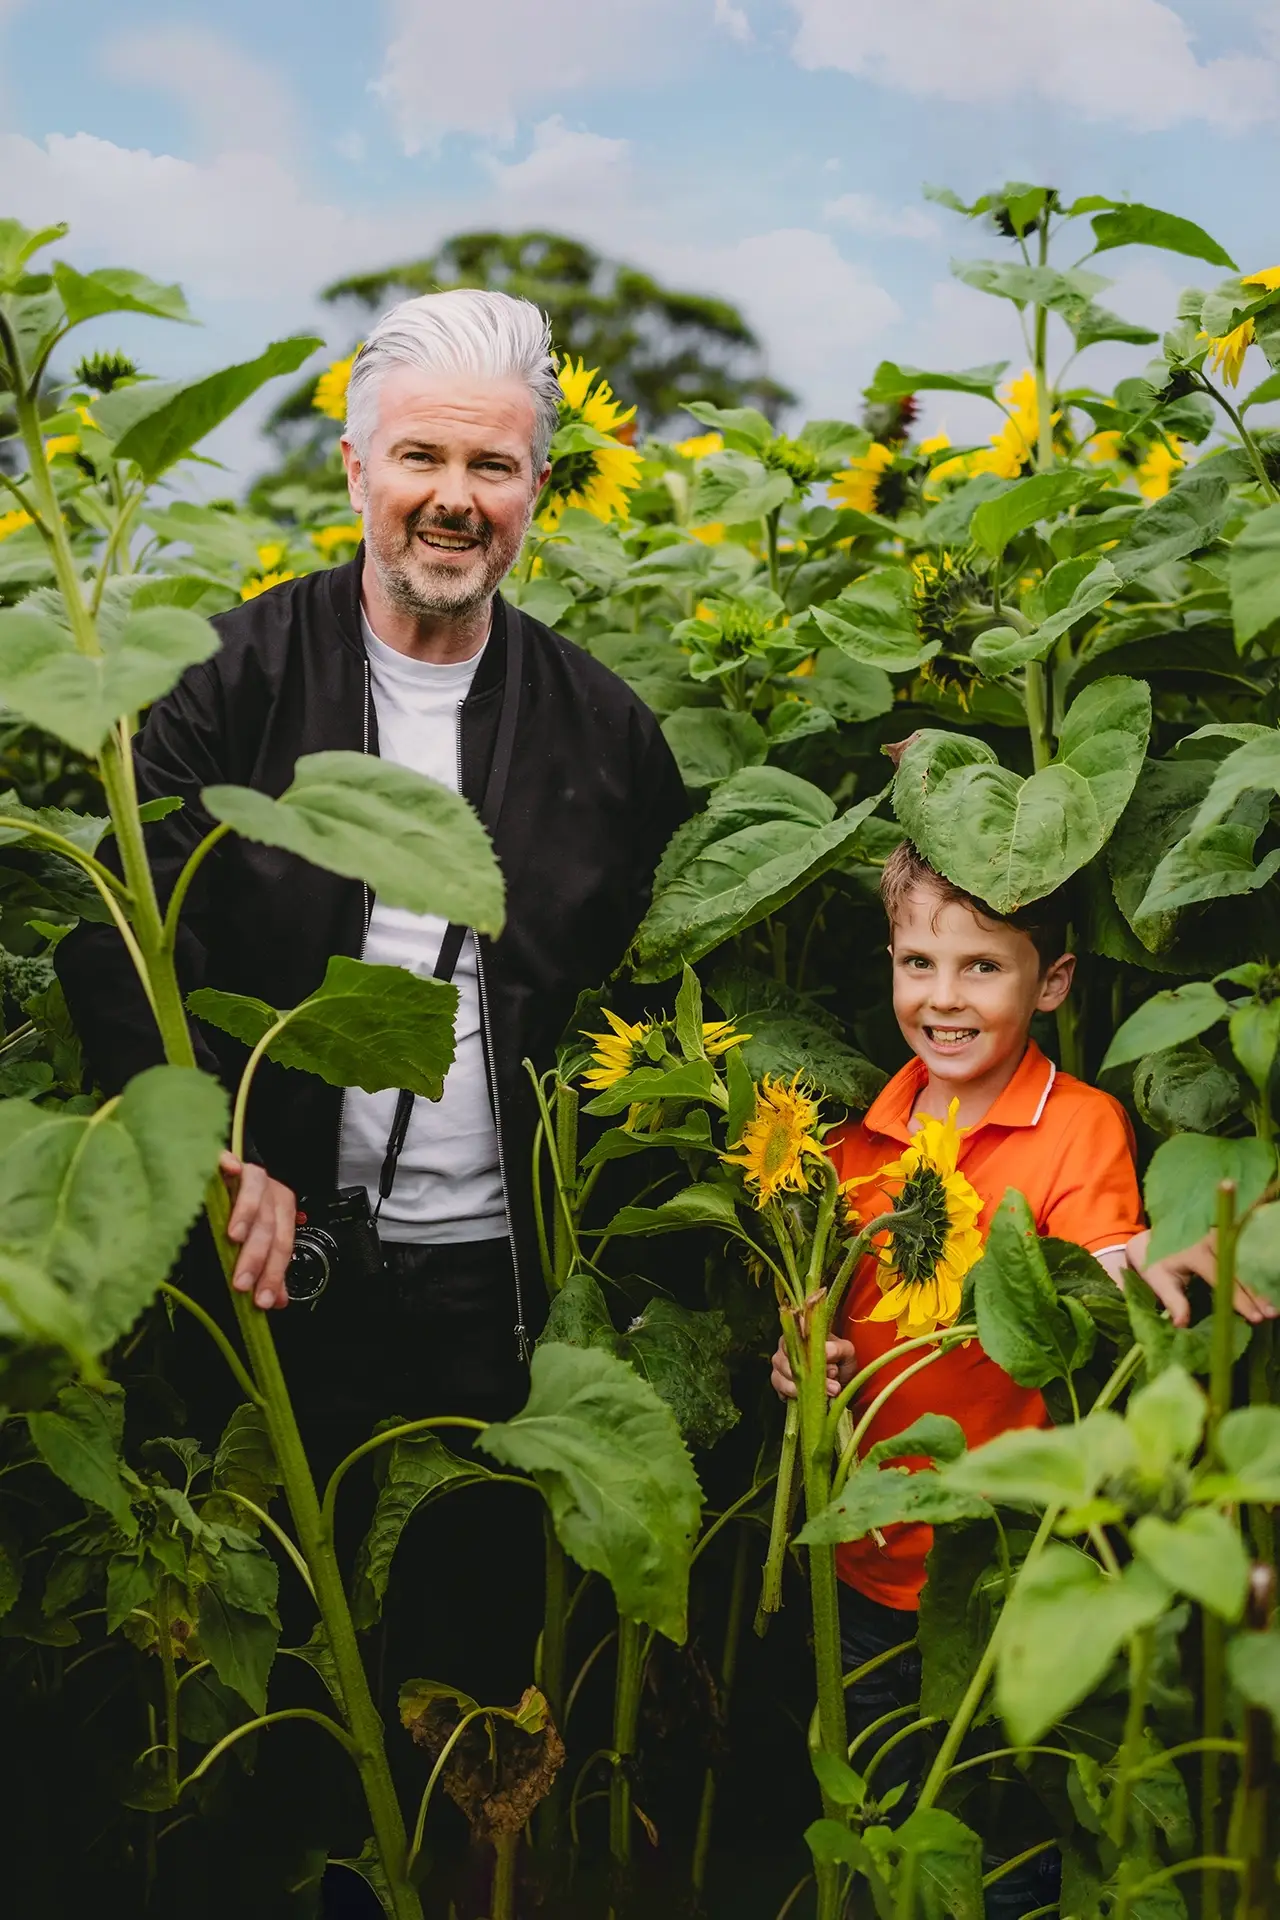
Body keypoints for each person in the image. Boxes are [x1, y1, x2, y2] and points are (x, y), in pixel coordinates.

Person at [57, 287, 688, 1443]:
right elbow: (120, 943)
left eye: (491, 465)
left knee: (482, 1598)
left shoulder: (606, 737)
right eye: (420, 457)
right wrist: (212, 1155)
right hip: (274, 1265)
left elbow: (653, 1003)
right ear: (356, 474)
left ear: (534, 491)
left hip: (513, 1291)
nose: (454, 497)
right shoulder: (226, 685)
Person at [769, 840, 1264, 1917]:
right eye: (915, 964)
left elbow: (1098, 1270)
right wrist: (805, 1360)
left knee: (1008, 1828)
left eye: (979, 968)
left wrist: (1173, 1261)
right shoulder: (861, 1135)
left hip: (1009, 1559)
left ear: (1050, 981)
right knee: (879, 1824)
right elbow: (840, 1325)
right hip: (862, 1553)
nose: (940, 998)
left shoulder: (1077, 1124)